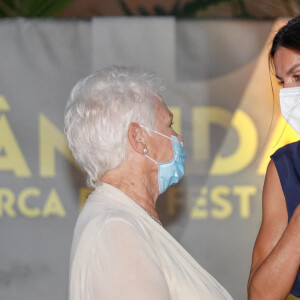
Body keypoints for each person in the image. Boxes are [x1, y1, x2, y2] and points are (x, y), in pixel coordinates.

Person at [65, 66, 233, 300]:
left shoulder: (127, 221)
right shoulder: (116, 229)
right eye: (169, 126)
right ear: (138, 138)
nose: (179, 138)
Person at [248, 16, 300, 300]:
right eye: (283, 82)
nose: (290, 93)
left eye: (299, 76)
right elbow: (261, 295)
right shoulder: (285, 168)